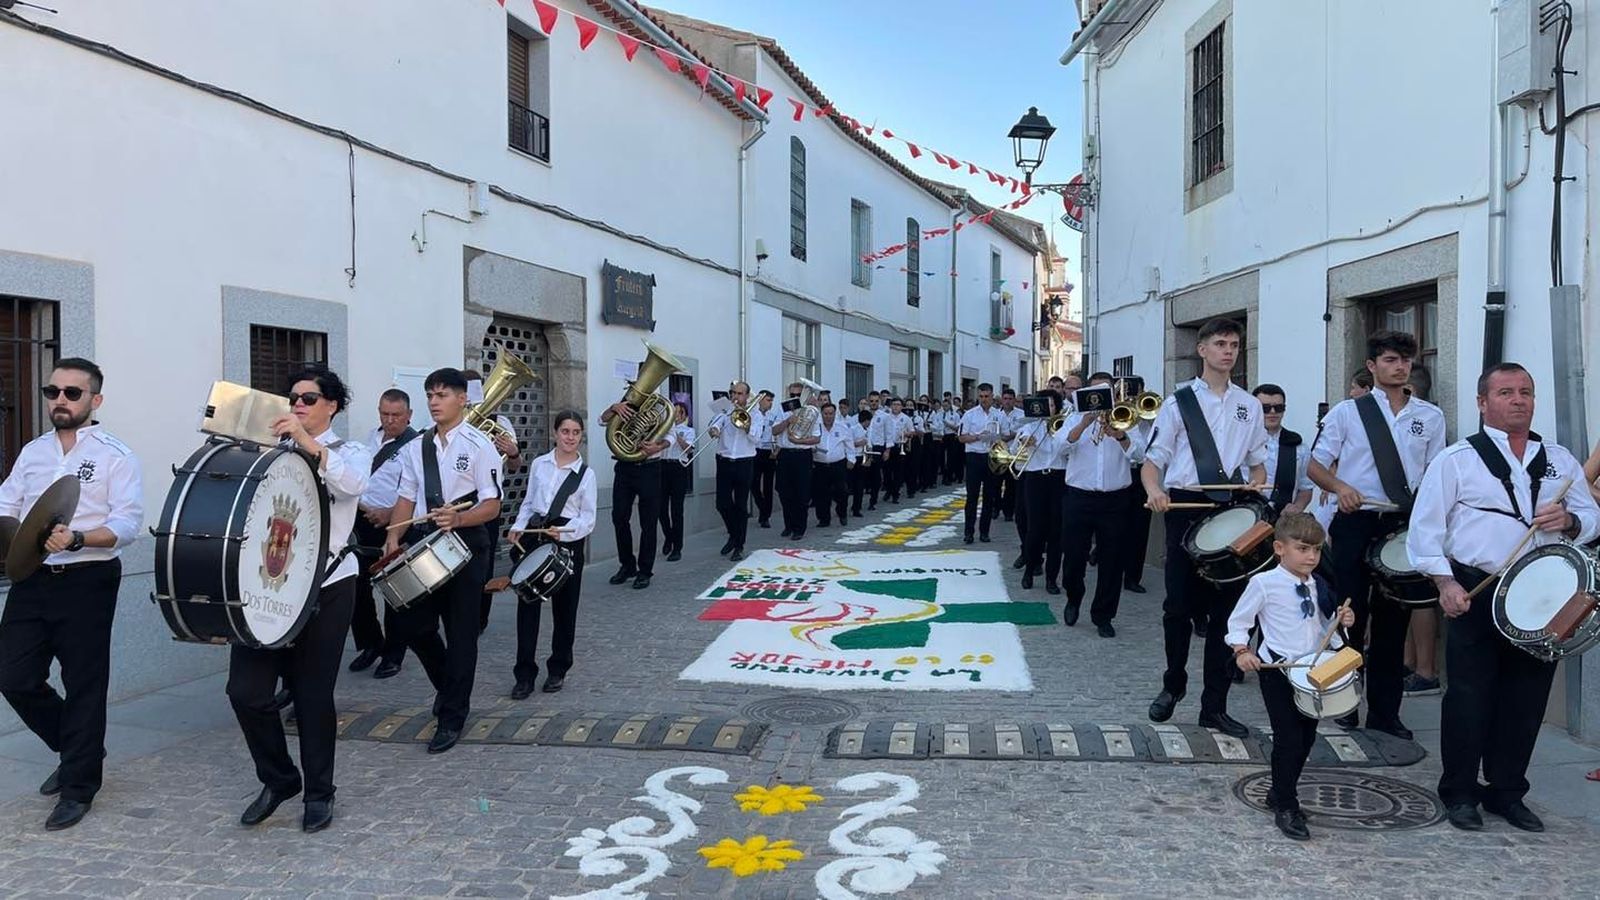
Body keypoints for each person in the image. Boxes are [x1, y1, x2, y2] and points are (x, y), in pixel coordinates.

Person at [1409, 362, 1599, 832]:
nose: (1518, 400)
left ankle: (1507, 792)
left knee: (1526, 698)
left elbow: (1592, 520)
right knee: (1468, 696)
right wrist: (1445, 584)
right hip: (1477, 588)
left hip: (1542, 595)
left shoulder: (1559, 460)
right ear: (1482, 402)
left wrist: (1570, 522)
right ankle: (1459, 792)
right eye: (1506, 392)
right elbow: (1424, 532)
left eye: (1525, 392)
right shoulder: (1456, 460)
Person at [0, 358, 142, 831]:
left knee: (84, 683)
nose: (59, 400)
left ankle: (79, 787)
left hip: (88, 579)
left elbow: (127, 523)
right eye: (52, 391)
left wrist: (79, 538)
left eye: (72, 393)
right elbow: (7, 503)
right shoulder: (33, 452)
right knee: (13, 676)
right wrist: (14, 534)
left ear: (95, 400)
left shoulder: (116, 455)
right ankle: (77, 747)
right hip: (32, 577)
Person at [229, 366, 370, 834]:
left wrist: (308, 444)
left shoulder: (350, 451)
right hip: (268, 584)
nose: (298, 405)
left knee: (312, 696)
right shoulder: (274, 448)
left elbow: (351, 485)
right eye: (293, 398)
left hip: (327, 584)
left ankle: (319, 793)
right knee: (245, 691)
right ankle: (279, 778)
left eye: (308, 398)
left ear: (332, 405)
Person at [1308, 331, 1445, 738]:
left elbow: (1437, 474)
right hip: (1356, 521)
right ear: (1372, 366)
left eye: (1404, 360)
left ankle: (1386, 714)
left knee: (1393, 622)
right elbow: (1315, 465)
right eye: (1389, 360)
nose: (1399, 367)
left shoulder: (1430, 417)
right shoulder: (1347, 413)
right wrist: (1340, 488)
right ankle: (1345, 702)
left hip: (1401, 526)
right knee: (1349, 616)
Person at [1143, 318, 1268, 738]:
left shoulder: (1249, 405)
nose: (1228, 351)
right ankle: (1173, 684)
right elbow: (1153, 462)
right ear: (1202, 350)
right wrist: (1155, 491)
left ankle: (1214, 706)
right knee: (1178, 607)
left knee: (1227, 615)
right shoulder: (1178, 403)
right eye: (1220, 344)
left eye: (1234, 345)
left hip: (1231, 511)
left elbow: (1257, 463)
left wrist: (1257, 480)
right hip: (1184, 506)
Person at [381, 367, 503, 754]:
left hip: (467, 542)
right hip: (426, 540)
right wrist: (393, 537)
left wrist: (460, 519)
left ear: (462, 399)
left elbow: (492, 504)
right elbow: (406, 495)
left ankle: (452, 717)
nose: (434, 402)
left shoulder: (480, 445)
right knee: (413, 624)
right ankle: (449, 687)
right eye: (430, 395)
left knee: (461, 633)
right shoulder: (416, 447)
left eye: (442, 395)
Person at [1228, 513, 1357, 841]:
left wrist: (1341, 622)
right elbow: (1238, 621)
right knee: (1288, 739)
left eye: (1316, 550)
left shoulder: (1318, 584)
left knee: (1307, 738)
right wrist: (1242, 651)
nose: (1311, 557)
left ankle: (1279, 791)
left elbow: (1323, 626)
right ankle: (1286, 804)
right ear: (1279, 548)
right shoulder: (1263, 583)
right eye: (1303, 549)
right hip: (1279, 672)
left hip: (1310, 673)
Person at [508, 411, 598, 698]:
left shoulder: (586, 474)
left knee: (565, 610)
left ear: (581, 436)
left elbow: (588, 519)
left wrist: (565, 533)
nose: (570, 437)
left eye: (576, 432)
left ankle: (558, 669)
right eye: (565, 431)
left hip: (567, 542)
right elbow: (528, 502)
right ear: (555, 433)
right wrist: (518, 526)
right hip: (536, 538)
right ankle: (524, 675)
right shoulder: (539, 464)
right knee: (527, 607)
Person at [1061, 374, 1137, 636]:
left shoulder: (1126, 416)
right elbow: (1060, 449)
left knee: (1112, 561)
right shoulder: (1074, 417)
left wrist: (1121, 436)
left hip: (1115, 499)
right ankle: (1074, 595)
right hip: (1079, 497)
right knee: (1073, 557)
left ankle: (1103, 615)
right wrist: (1083, 424)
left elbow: (1140, 455)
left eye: (1106, 391)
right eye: (1095, 391)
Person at [351, 388, 418, 679]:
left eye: (396, 415)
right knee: (355, 586)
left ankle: (394, 653)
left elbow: (418, 492)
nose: (389, 420)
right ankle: (371, 643)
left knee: (394, 590)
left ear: (409, 415)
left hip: (395, 523)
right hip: (361, 519)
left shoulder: (416, 445)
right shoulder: (371, 437)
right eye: (384, 414)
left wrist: (391, 513)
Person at [462, 369, 522, 634]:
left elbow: (516, 465)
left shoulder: (501, 422)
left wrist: (513, 452)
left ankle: (480, 619)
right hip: (459, 503)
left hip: (487, 504)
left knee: (484, 565)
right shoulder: (454, 424)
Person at [598, 395, 667, 591]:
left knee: (648, 522)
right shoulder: (625, 403)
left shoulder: (660, 407)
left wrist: (658, 446)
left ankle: (645, 571)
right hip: (625, 467)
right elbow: (601, 420)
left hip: (650, 468)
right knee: (619, 517)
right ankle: (627, 565)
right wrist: (614, 407)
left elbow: (671, 435)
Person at [1013, 394, 1063, 594]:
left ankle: (1052, 578)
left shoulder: (1064, 424)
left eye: (1052, 404)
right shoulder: (1030, 425)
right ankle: (1029, 570)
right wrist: (1025, 440)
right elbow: (1019, 442)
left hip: (1058, 479)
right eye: (1045, 404)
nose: (1049, 408)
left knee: (1056, 531)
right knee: (1034, 529)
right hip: (1035, 479)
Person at [713, 381, 762, 562]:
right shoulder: (725, 410)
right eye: (733, 392)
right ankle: (734, 535)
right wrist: (714, 430)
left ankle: (739, 546)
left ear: (747, 396)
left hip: (744, 462)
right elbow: (715, 424)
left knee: (741, 506)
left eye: (740, 394)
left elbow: (756, 438)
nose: (735, 396)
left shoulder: (756, 414)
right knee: (722, 504)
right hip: (724, 461)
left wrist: (746, 424)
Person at [773, 382, 822, 540]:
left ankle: (799, 528)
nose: (794, 398)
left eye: (798, 395)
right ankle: (789, 525)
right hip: (785, 454)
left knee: (801, 493)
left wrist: (799, 441)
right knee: (783, 491)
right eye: (792, 395)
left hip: (802, 456)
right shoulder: (782, 409)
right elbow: (774, 431)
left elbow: (816, 438)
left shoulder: (812, 412)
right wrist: (788, 421)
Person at [1254, 384, 1312, 516]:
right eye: (1265, 408)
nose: (1272, 412)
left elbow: (1306, 487)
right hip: (1247, 517)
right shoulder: (1241, 443)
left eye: (1278, 408)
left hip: (1283, 519)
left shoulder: (1298, 446)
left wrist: (1297, 507)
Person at [958, 383, 1005, 544]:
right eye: (981, 396)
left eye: (987, 396)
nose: (984, 399)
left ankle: (984, 532)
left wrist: (995, 438)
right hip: (974, 457)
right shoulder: (969, 415)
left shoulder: (999, 415)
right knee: (972, 496)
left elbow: (1005, 435)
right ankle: (968, 532)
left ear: (992, 397)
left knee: (989, 497)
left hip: (991, 456)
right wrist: (978, 436)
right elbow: (961, 437)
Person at [1120, 375, 1153, 594]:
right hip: (1119, 476)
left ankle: (1133, 577)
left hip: (1142, 476)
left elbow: (1146, 453)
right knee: (1117, 528)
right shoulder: (1116, 414)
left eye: (1135, 392)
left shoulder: (1149, 420)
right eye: (1128, 392)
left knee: (1139, 529)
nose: (1131, 397)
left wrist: (1146, 419)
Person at [658, 402, 693, 563]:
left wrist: (674, 434)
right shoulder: (662, 429)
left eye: (679, 412)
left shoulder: (689, 431)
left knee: (676, 510)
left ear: (684, 415)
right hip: (662, 467)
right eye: (674, 412)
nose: (676, 415)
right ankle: (669, 536)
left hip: (678, 468)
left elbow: (688, 449)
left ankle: (677, 547)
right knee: (661, 509)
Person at [813, 402, 854, 527]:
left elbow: (849, 444)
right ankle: (824, 519)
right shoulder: (816, 427)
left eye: (831, 413)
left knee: (841, 491)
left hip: (838, 464)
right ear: (822, 414)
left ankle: (842, 513)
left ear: (835, 414)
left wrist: (851, 459)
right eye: (825, 414)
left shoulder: (842, 427)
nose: (828, 416)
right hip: (820, 465)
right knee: (821, 493)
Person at [751, 390, 777, 529]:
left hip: (768, 452)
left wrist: (776, 450)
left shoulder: (773, 416)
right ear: (760, 400)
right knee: (753, 483)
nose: (770, 403)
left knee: (768, 486)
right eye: (768, 400)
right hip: (755, 451)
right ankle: (763, 507)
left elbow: (777, 434)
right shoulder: (752, 414)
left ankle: (765, 516)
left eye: (771, 400)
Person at [997, 388, 1023, 521]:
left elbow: (1022, 431)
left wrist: (1010, 435)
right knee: (996, 484)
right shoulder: (996, 414)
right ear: (1002, 400)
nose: (1007, 401)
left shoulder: (1021, 414)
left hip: (1014, 454)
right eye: (1005, 399)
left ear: (1014, 400)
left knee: (1011, 485)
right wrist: (1007, 435)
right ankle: (995, 509)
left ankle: (1008, 512)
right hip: (999, 453)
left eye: (1010, 399)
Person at [847, 406, 871, 517]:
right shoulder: (853, 429)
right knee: (849, 484)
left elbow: (869, 444)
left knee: (860, 485)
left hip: (862, 457)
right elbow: (848, 444)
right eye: (868, 421)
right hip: (854, 457)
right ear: (866, 420)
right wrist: (858, 443)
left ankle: (857, 508)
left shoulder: (868, 430)